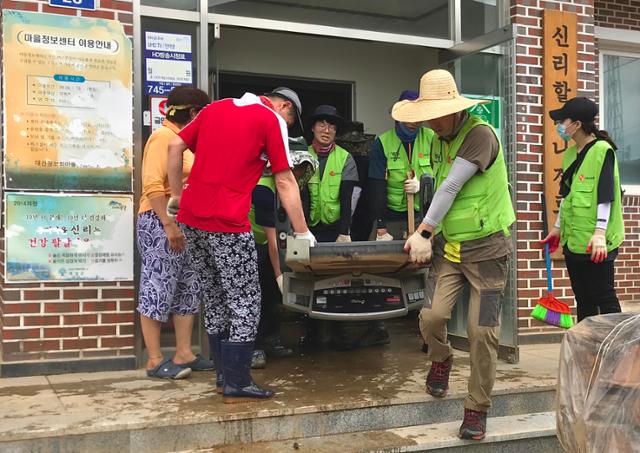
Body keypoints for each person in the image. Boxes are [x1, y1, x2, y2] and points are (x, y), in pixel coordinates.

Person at [166, 87, 316, 403]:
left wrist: (177, 197)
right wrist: (302, 232)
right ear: (284, 106)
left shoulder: (214, 108)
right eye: (290, 120)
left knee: (216, 295)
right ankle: (238, 380)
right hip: (228, 223)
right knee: (245, 299)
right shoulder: (269, 118)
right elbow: (285, 180)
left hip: (192, 219)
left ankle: (223, 377)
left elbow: (176, 145)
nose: (286, 126)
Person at [394, 69, 515, 440]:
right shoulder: (437, 136)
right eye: (426, 114)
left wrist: (422, 232)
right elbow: (437, 184)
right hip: (451, 248)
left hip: (488, 251)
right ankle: (441, 359)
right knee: (431, 317)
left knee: (482, 332)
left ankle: (477, 407)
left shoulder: (479, 134)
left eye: (436, 113)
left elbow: (452, 185)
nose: (430, 121)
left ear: (454, 108)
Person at [137, 86, 213, 379]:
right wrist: (169, 225)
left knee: (188, 286)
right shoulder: (163, 138)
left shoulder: (186, 142)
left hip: (188, 223)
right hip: (159, 221)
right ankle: (155, 360)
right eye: (202, 114)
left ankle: (184, 353)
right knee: (158, 284)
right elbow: (153, 186)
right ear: (193, 113)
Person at [541, 97, 624, 322]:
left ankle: (617, 352)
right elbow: (567, 196)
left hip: (597, 242)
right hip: (574, 240)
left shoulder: (602, 150)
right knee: (584, 299)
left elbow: (606, 194)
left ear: (576, 124)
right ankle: (587, 351)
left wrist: (599, 233)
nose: (559, 125)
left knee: (604, 298)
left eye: (562, 120)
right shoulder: (570, 154)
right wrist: (557, 229)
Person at [249, 141, 318, 368]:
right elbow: (270, 238)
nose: (298, 173)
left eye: (301, 168)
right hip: (253, 243)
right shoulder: (264, 189)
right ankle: (255, 345)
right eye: (295, 167)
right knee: (257, 296)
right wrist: (282, 275)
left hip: (279, 243)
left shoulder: (293, 187)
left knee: (274, 295)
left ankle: (271, 337)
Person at [369, 90, 435, 240]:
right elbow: (376, 186)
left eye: (418, 116)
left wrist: (426, 184)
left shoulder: (432, 138)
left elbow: (445, 174)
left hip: (425, 216)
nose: (413, 122)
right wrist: (381, 227)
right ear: (398, 116)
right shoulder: (382, 142)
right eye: (408, 116)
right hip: (392, 217)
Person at [307, 105, 359, 242]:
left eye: (332, 127)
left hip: (335, 229)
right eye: (321, 125)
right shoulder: (303, 156)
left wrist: (344, 232)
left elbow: (347, 199)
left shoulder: (345, 158)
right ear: (313, 128)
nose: (326, 131)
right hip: (307, 229)